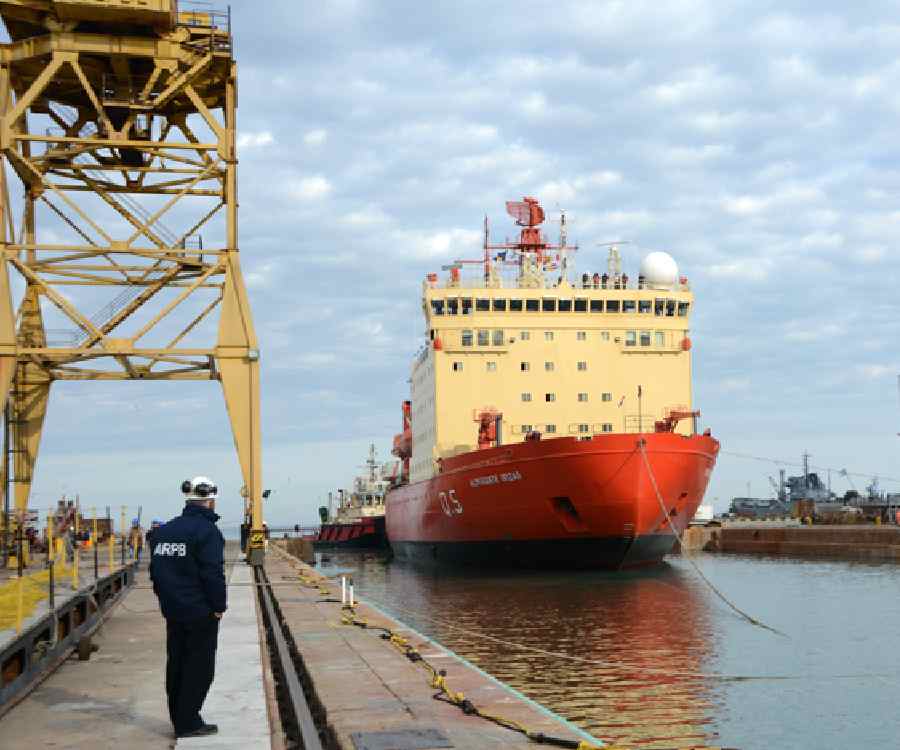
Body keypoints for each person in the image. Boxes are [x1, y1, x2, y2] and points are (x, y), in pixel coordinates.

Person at [149, 476, 226, 739]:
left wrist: (166, 600)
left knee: (177, 664)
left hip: (173, 610)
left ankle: (179, 718)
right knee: (199, 668)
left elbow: (155, 572)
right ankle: (189, 722)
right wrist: (218, 607)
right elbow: (213, 573)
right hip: (200, 612)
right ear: (210, 500)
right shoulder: (207, 532)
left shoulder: (164, 531)